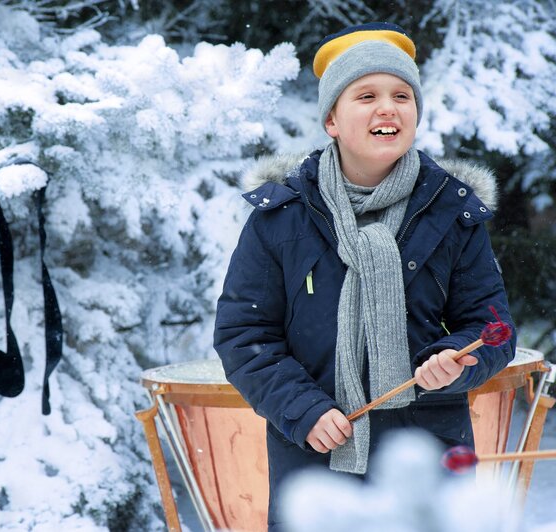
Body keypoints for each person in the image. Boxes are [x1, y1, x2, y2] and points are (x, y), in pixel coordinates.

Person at [213, 22, 516, 530]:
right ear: (332, 120)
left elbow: (493, 328)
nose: (388, 108)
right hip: (317, 458)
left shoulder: (454, 213)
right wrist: (303, 409)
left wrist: (456, 362)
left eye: (402, 95)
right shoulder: (281, 218)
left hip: (426, 454)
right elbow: (245, 335)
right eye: (367, 96)